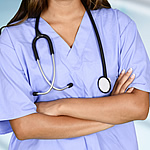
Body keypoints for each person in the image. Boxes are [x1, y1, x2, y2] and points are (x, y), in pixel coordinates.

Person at [0, 0, 150, 150]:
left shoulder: (119, 25)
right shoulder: (13, 39)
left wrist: (60, 106)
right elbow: (25, 126)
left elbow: (139, 107)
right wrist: (114, 117)